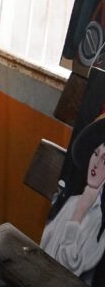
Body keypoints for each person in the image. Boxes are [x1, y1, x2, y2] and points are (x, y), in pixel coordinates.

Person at [42, 112, 105, 283]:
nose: (96, 164)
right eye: (96, 153)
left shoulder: (99, 220)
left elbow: (69, 267)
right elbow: (45, 247)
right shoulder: (72, 201)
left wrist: (80, 213)